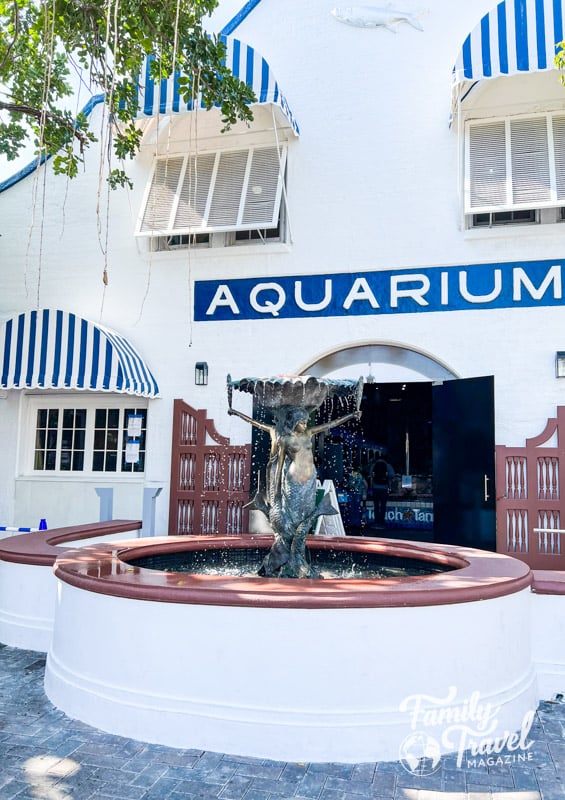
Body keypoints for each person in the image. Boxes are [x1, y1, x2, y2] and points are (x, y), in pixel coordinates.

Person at [228, 400, 361, 576]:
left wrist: (351, 415)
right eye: (302, 421)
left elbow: (330, 424)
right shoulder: (284, 440)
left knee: (305, 515)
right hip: (293, 482)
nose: (305, 424)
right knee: (292, 518)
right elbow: (279, 466)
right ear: (294, 422)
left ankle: (297, 557)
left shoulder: (309, 433)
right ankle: (286, 559)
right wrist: (275, 493)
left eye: (306, 421)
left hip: (310, 480)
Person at [371, 451, 395, 528]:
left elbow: (370, 475)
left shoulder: (374, 465)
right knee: (383, 505)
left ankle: (376, 521)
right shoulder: (387, 465)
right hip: (384, 488)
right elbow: (392, 475)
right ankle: (382, 522)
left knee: (376, 506)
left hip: (375, 487)